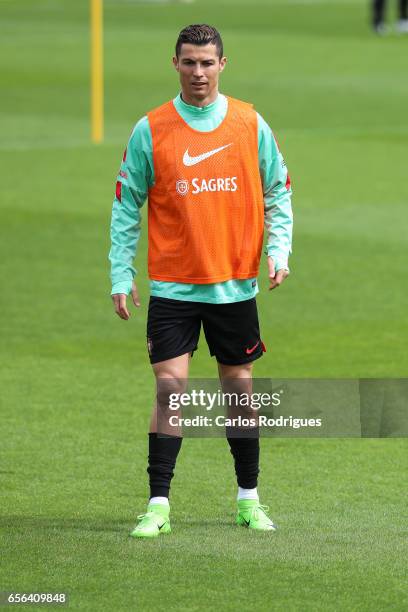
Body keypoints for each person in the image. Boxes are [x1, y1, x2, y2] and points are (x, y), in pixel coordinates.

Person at [108, 24, 293, 538]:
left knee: (239, 390)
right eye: (189, 62)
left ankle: (248, 499)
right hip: (173, 286)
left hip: (234, 285)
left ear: (222, 65)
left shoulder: (249, 122)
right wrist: (120, 273)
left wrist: (279, 251)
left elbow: (279, 190)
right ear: (175, 64)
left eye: (207, 63)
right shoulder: (152, 128)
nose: (198, 73)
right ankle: (159, 506)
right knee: (171, 392)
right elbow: (126, 207)